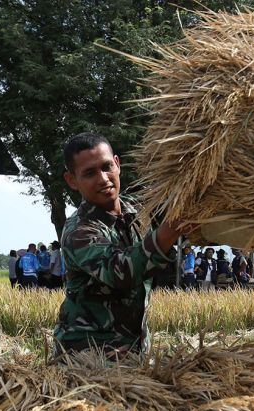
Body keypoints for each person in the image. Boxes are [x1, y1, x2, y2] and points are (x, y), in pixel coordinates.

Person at [52, 132, 182, 357]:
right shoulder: (79, 231)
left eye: (107, 167)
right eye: (90, 173)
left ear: (118, 164)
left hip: (132, 347)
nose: (103, 179)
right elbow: (121, 272)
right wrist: (173, 228)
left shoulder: (137, 211)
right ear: (72, 180)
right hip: (87, 354)